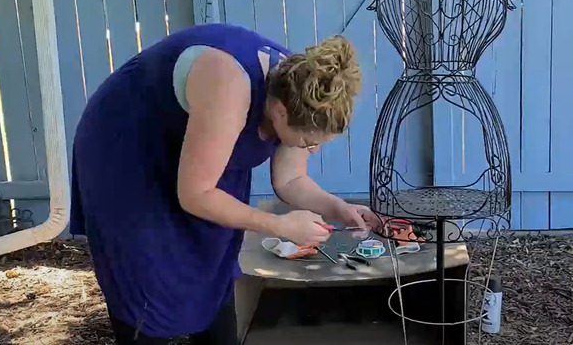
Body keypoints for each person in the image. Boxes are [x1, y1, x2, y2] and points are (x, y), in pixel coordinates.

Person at [68, 23, 380, 344]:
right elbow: (196, 194)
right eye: (307, 141)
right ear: (281, 113)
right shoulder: (229, 85)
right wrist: (278, 225)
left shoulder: (300, 91)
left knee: (213, 260)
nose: (312, 149)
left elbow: (290, 179)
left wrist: (338, 209)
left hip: (192, 143)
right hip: (128, 146)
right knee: (147, 273)